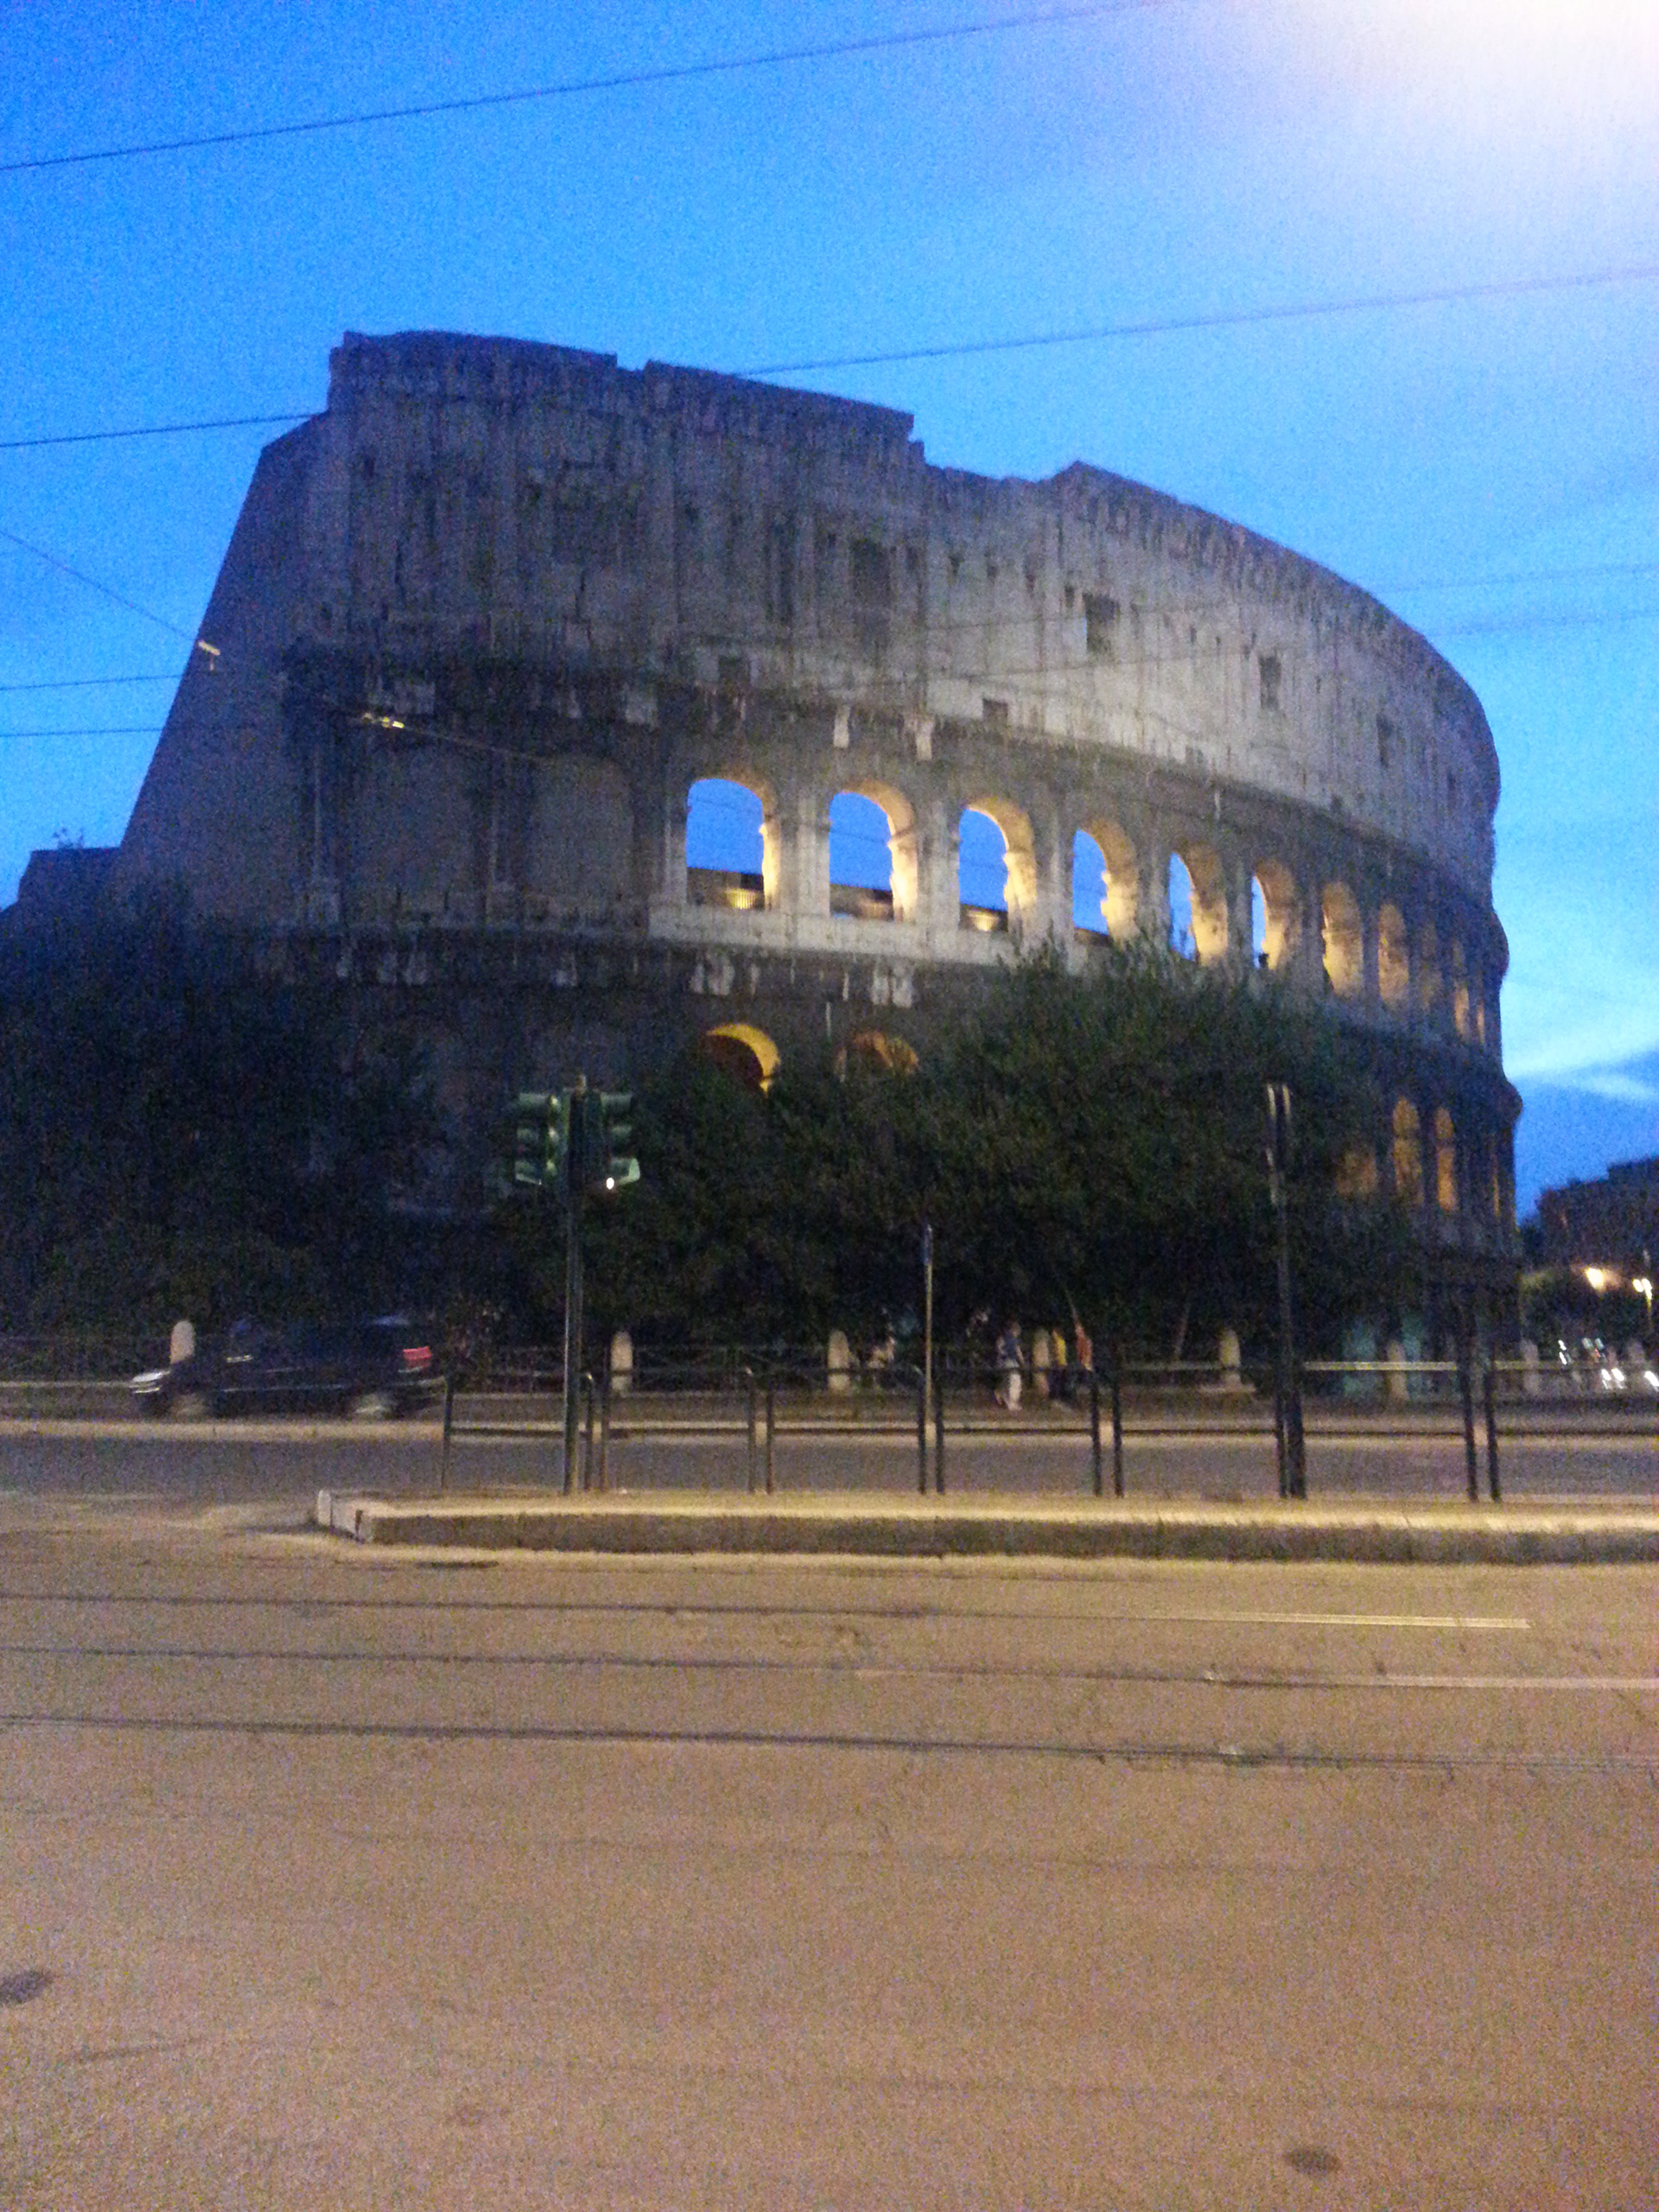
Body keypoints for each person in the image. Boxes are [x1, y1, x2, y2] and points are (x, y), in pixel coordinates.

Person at [995, 1318, 1023, 1410]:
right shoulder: (1013, 1339)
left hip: (1003, 1362)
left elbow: (999, 1348)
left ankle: (1006, 1400)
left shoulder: (1003, 1338)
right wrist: (1023, 1362)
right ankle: (1012, 1403)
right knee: (1015, 1381)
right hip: (1011, 1362)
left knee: (1006, 1381)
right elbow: (1018, 1351)